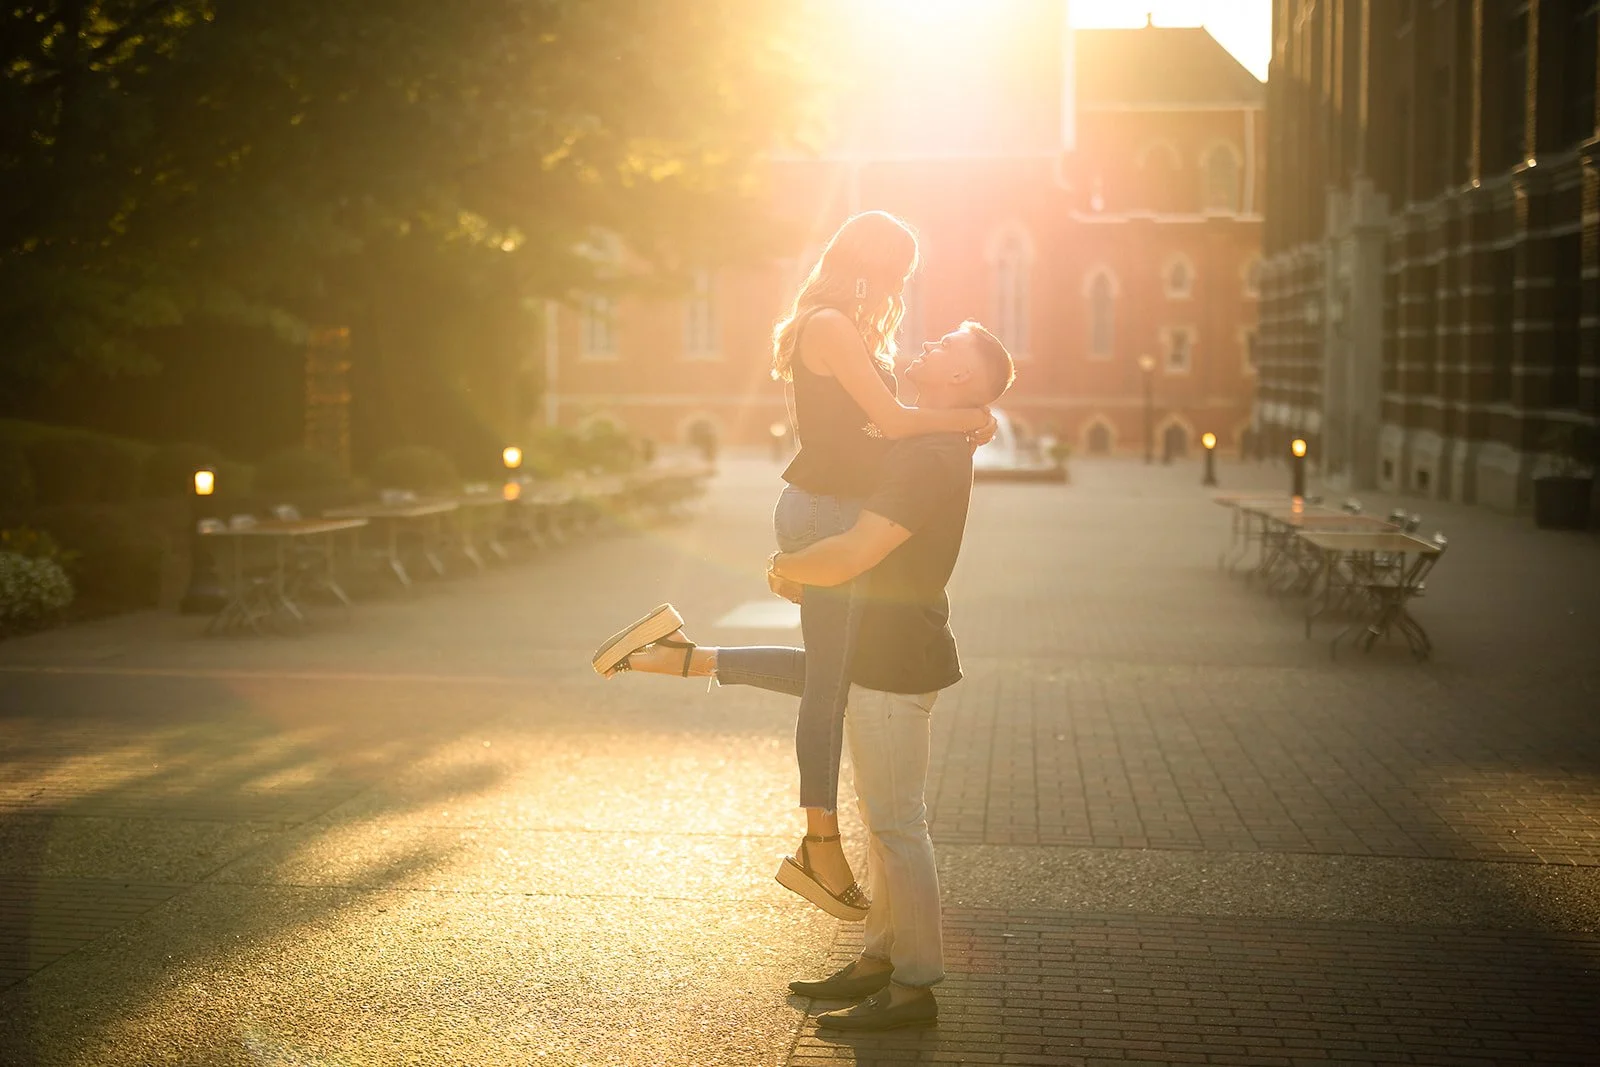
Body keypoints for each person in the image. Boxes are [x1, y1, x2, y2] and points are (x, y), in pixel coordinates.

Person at [595, 321, 1016, 1031]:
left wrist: (785, 568)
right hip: (884, 648)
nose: (933, 343)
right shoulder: (933, 436)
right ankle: (881, 958)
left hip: (894, 656)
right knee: (887, 825)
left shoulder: (930, 457)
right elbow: (818, 675)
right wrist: (701, 661)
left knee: (897, 825)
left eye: (949, 347)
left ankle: (914, 986)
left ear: (962, 381)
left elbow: (857, 549)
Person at [592, 212, 994, 922]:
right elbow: (899, 423)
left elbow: (892, 417)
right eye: (898, 270)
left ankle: (677, 657)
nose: (901, 286)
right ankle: (819, 841)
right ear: (869, 264)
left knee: (831, 674)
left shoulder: (850, 328)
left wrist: (958, 415)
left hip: (834, 507)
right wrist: (966, 421)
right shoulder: (830, 324)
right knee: (830, 687)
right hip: (824, 512)